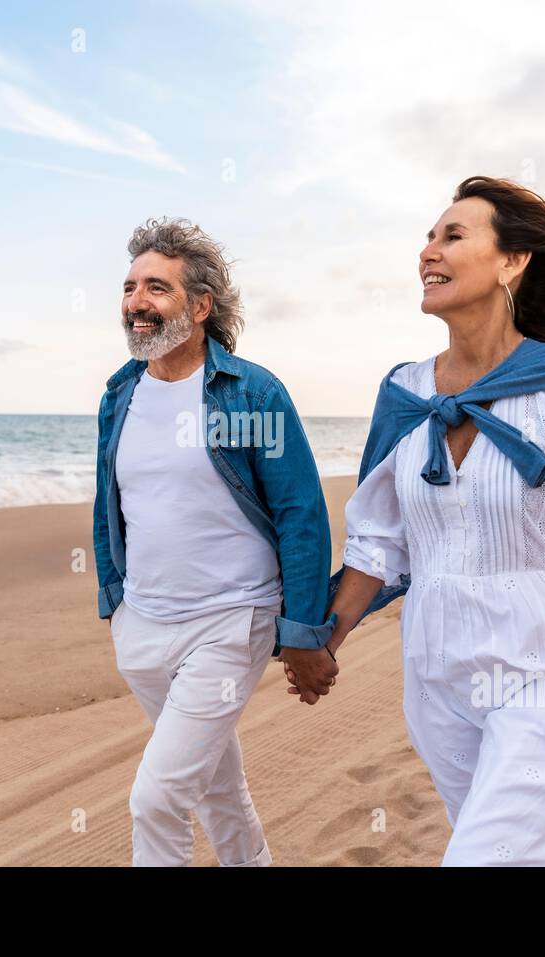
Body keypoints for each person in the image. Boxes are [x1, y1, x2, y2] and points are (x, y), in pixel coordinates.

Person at [296, 175, 545, 865]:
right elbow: (380, 543)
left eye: (453, 235)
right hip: (436, 672)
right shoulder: (405, 393)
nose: (429, 250)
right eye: (428, 236)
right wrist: (325, 639)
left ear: (512, 261)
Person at [93, 217, 337, 866]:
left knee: (158, 799)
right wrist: (114, 599)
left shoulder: (252, 392)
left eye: (156, 288)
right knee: (216, 788)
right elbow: (109, 503)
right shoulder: (120, 393)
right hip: (142, 627)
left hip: (230, 621)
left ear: (200, 306)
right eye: (129, 287)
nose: (136, 303)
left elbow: (301, 515)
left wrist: (303, 632)